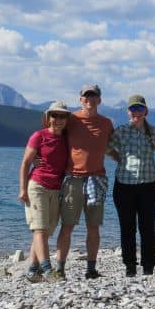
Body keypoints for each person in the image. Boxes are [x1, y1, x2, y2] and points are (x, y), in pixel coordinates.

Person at [55, 84, 114, 279]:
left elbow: (110, 147)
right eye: (86, 96)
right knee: (68, 225)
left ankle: (91, 268)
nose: (90, 99)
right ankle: (60, 269)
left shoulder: (106, 123)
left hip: (97, 178)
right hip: (73, 178)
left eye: (93, 96)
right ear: (80, 99)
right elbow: (53, 136)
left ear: (99, 99)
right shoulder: (70, 120)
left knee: (94, 226)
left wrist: (123, 161)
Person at [108, 95, 155, 277]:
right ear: (128, 111)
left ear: (145, 111)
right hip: (124, 185)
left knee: (147, 227)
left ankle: (148, 266)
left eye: (140, 109)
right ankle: (130, 266)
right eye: (133, 109)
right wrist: (118, 158)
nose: (136, 113)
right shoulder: (121, 131)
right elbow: (106, 147)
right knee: (127, 227)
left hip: (148, 186)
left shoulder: (153, 132)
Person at [18, 101, 69, 282]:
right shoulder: (38, 136)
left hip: (55, 189)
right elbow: (25, 163)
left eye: (63, 116)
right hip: (37, 186)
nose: (58, 119)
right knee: (39, 229)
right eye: (55, 115)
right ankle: (48, 271)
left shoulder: (66, 139)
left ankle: (33, 270)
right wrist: (22, 189)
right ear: (48, 117)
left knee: (46, 232)